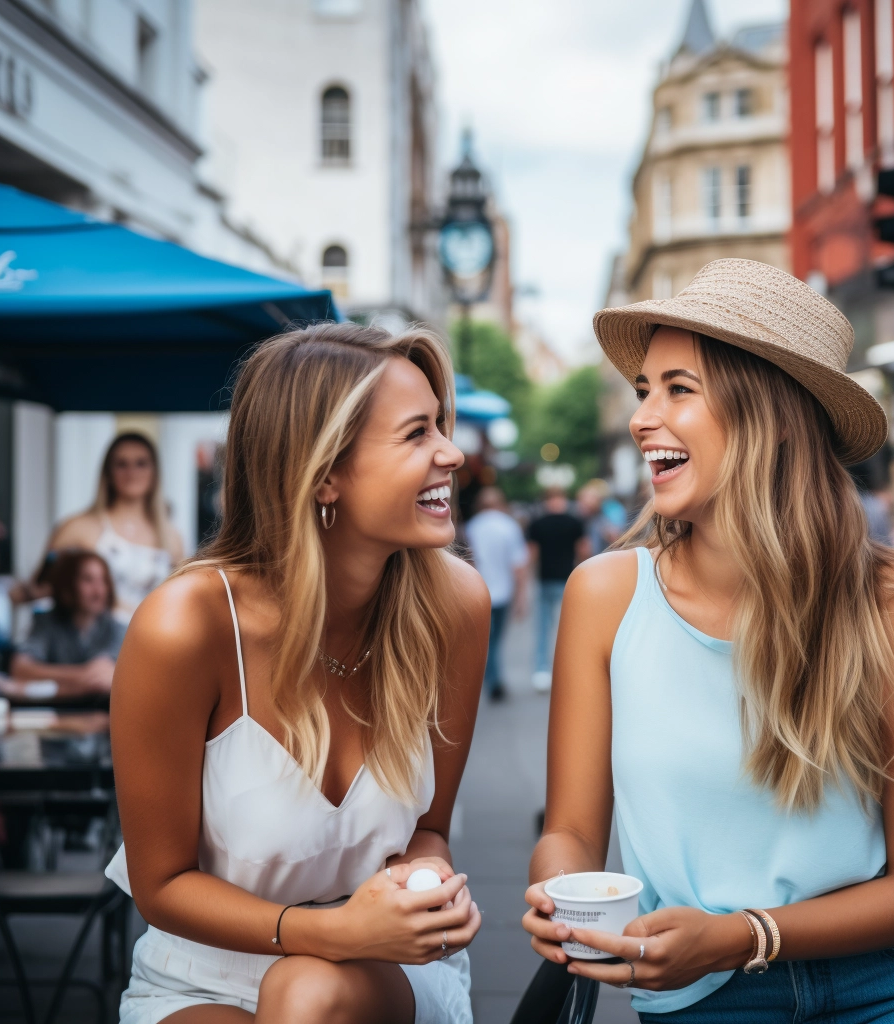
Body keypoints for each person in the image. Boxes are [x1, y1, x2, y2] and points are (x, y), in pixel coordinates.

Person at [523, 260, 894, 1021]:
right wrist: (561, 896)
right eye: (643, 391)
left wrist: (744, 935)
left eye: (677, 389)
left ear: (765, 412)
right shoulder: (604, 596)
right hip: (705, 1001)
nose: (641, 418)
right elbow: (569, 830)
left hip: (891, 986)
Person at [106, 322, 487, 1023]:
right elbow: (160, 885)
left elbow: (429, 831)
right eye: (417, 434)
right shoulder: (186, 626)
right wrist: (330, 931)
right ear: (324, 476)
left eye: (442, 426)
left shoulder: (455, 605)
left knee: (308, 994)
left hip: (382, 972)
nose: (453, 453)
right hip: (203, 969)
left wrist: (426, 886)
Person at [12, 433, 183, 622]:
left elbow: (180, 601)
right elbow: (39, 586)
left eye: (141, 463)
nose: (131, 472)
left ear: (155, 472)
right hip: (93, 644)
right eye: (121, 464)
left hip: (148, 640)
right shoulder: (78, 526)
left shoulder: (171, 537)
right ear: (108, 472)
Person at [6, 550, 124, 703]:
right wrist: (82, 675)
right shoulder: (47, 622)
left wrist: (56, 680)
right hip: (57, 710)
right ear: (67, 586)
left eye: (103, 581)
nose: (98, 591)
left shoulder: (117, 629)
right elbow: (20, 668)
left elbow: (104, 673)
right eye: (88, 580)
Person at [465, 487, 529, 702]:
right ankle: (495, 679)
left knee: (484, 640)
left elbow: (467, 562)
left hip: (476, 591)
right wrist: (521, 597)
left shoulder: (473, 526)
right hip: (504, 592)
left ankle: (491, 677)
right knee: (496, 639)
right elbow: (518, 566)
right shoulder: (509, 526)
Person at [526, 487, 586, 692]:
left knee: (543, 628)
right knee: (570, 628)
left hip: (544, 580)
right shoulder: (575, 523)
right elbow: (584, 552)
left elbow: (532, 555)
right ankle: (570, 670)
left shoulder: (537, 524)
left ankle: (542, 671)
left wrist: (528, 579)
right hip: (568, 581)